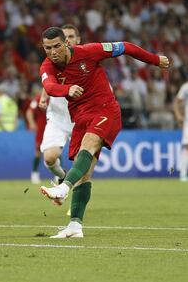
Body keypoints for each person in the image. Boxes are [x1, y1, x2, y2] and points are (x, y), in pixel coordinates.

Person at [39, 27, 169, 238]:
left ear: (66, 44)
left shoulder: (90, 51)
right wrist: (67, 90)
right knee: (84, 173)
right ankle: (75, 226)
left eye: (56, 46)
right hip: (80, 119)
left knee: (89, 143)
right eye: (48, 48)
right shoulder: (46, 66)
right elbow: (50, 86)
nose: (53, 52)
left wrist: (154, 60)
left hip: (105, 109)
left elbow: (125, 47)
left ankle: (63, 188)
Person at [38, 24, 81, 186]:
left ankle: (74, 204)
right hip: (57, 116)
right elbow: (48, 81)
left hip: (80, 117)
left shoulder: (86, 59)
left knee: (80, 162)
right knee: (49, 157)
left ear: (78, 39)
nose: (68, 40)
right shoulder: (52, 61)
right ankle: (62, 175)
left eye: (71, 36)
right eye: (66, 37)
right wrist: (43, 97)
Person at [26, 86, 47, 184]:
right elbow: (29, 111)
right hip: (41, 129)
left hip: (54, 129)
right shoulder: (38, 98)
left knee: (56, 151)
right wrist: (31, 123)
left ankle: (58, 176)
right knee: (38, 152)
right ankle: (34, 174)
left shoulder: (57, 98)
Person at [174, 80, 188, 181]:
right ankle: (183, 174)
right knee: (187, 147)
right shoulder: (186, 87)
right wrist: (178, 115)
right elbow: (177, 102)